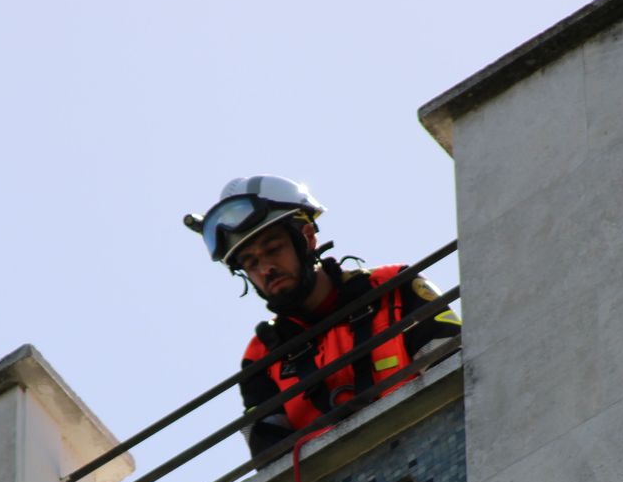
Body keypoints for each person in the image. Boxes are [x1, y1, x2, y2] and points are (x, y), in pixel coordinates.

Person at [183, 174, 461, 456]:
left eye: (273, 249)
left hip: (436, 445)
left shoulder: (394, 286)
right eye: (251, 262)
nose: (266, 268)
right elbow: (272, 461)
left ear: (307, 238)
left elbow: (456, 371)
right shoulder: (261, 357)